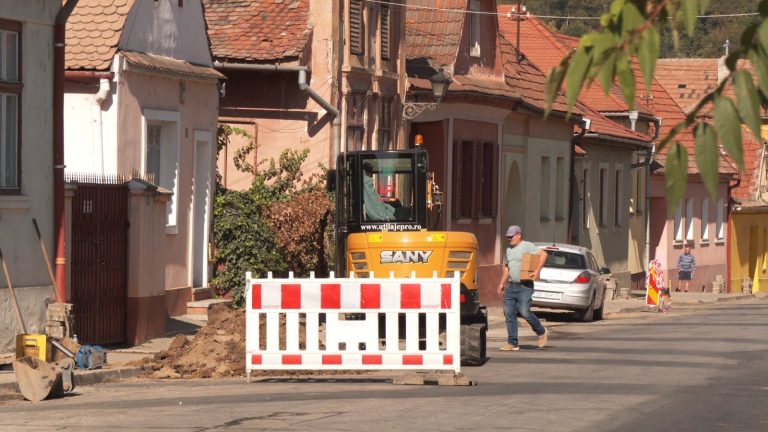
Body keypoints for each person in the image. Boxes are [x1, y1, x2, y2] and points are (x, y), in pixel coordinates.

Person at [496, 225, 549, 351]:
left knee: (524, 312)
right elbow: (507, 268)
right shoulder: (508, 250)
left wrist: (537, 271)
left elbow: (544, 254)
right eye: (508, 237)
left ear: (519, 235)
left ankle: (541, 332)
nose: (509, 239)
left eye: (511, 236)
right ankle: (512, 343)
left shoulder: (527, 246)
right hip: (511, 286)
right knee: (509, 313)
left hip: (525, 286)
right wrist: (501, 283)